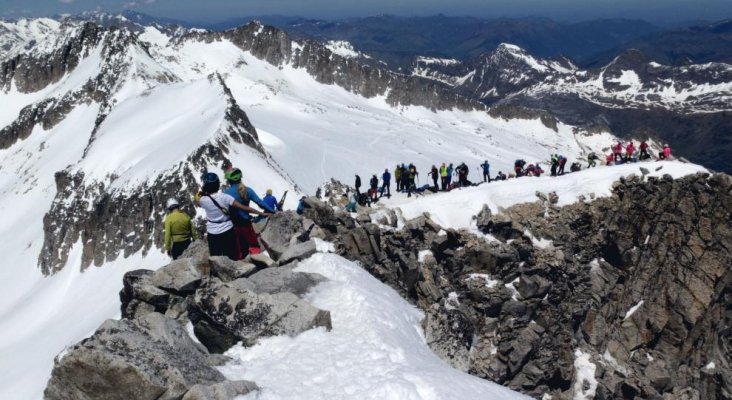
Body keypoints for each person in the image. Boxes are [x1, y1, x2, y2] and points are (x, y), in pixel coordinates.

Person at [197, 172, 268, 259]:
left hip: (212, 232)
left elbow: (200, 196)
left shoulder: (202, 200)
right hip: (228, 229)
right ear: (218, 184)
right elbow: (244, 208)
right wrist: (262, 213)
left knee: (215, 258)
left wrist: (204, 190)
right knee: (232, 256)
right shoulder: (225, 197)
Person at [224, 168, 276, 259]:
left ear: (228, 180)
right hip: (246, 224)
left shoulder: (225, 193)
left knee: (237, 249)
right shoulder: (248, 190)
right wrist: (272, 211)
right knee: (254, 246)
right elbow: (260, 202)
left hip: (233, 226)